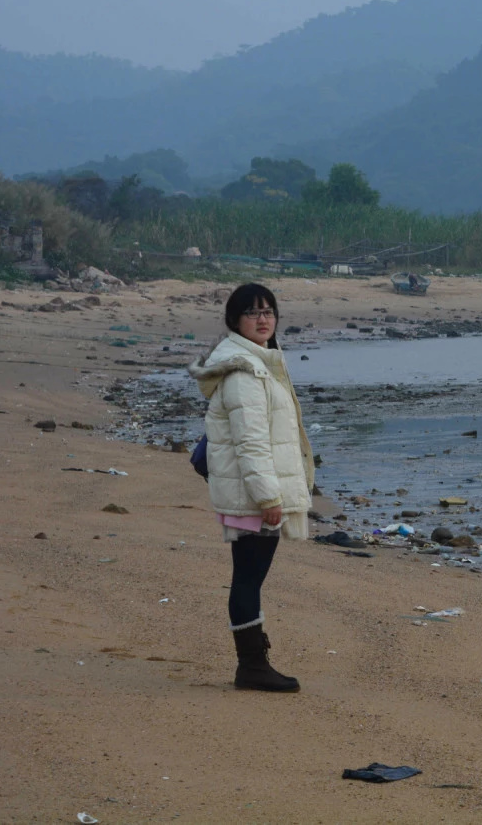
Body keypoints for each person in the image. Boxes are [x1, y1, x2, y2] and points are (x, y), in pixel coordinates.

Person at [187, 282, 313, 692]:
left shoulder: (258, 361)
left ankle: (253, 663)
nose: (263, 319)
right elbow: (251, 440)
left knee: (248, 576)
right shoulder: (245, 370)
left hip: (249, 490)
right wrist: (269, 497)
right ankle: (252, 666)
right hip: (253, 493)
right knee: (248, 578)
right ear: (234, 321)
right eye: (253, 313)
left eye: (269, 311)